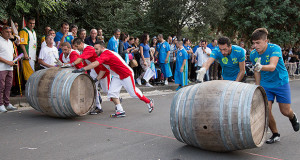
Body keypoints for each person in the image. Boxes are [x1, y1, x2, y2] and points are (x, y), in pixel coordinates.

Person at [72, 41, 154, 118]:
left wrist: (82, 69)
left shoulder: (106, 54)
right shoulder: (102, 55)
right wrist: (97, 79)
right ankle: (120, 110)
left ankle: (149, 101)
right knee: (111, 93)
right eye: (94, 48)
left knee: (133, 93)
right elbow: (103, 69)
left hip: (126, 74)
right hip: (117, 76)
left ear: (102, 48)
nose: (95, 51)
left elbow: (95, 63)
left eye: (97, 49)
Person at [250, 28, 299, 144]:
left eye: (258, 43)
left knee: (285, 111)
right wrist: (258, 87)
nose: (255, 46)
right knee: (266, 109)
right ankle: (275, 134)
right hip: (266, 84)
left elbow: (272, 66)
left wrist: (260, 66)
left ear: (266, 41)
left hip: (281, 82)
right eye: (253, 43)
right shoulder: (253, 54)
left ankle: (293, 117)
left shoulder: (275, 48)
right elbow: (257, 72)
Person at [65, 38, 109, 114]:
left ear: (81, 44)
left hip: (102, 70)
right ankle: (97, 107)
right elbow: (84, 63)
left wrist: (71, 64)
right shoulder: (83, 50)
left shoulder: (88, 49)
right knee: (92, 88)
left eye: (76, 46)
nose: (76, 48)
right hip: (94, 70)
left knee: (106, 91)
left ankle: (117, 99)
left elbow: (81, 59)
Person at [0, 25, 18, 112]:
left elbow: (11, 53)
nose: (9, 34)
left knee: (8, 86)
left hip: (10, 67)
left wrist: (15, 57)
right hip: (1, 68)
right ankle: (1, 104)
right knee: (1, 86)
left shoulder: (10, 42)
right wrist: (7, 62)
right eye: (7, 32)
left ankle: (7, 103)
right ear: (2, 32)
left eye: (10, 32)